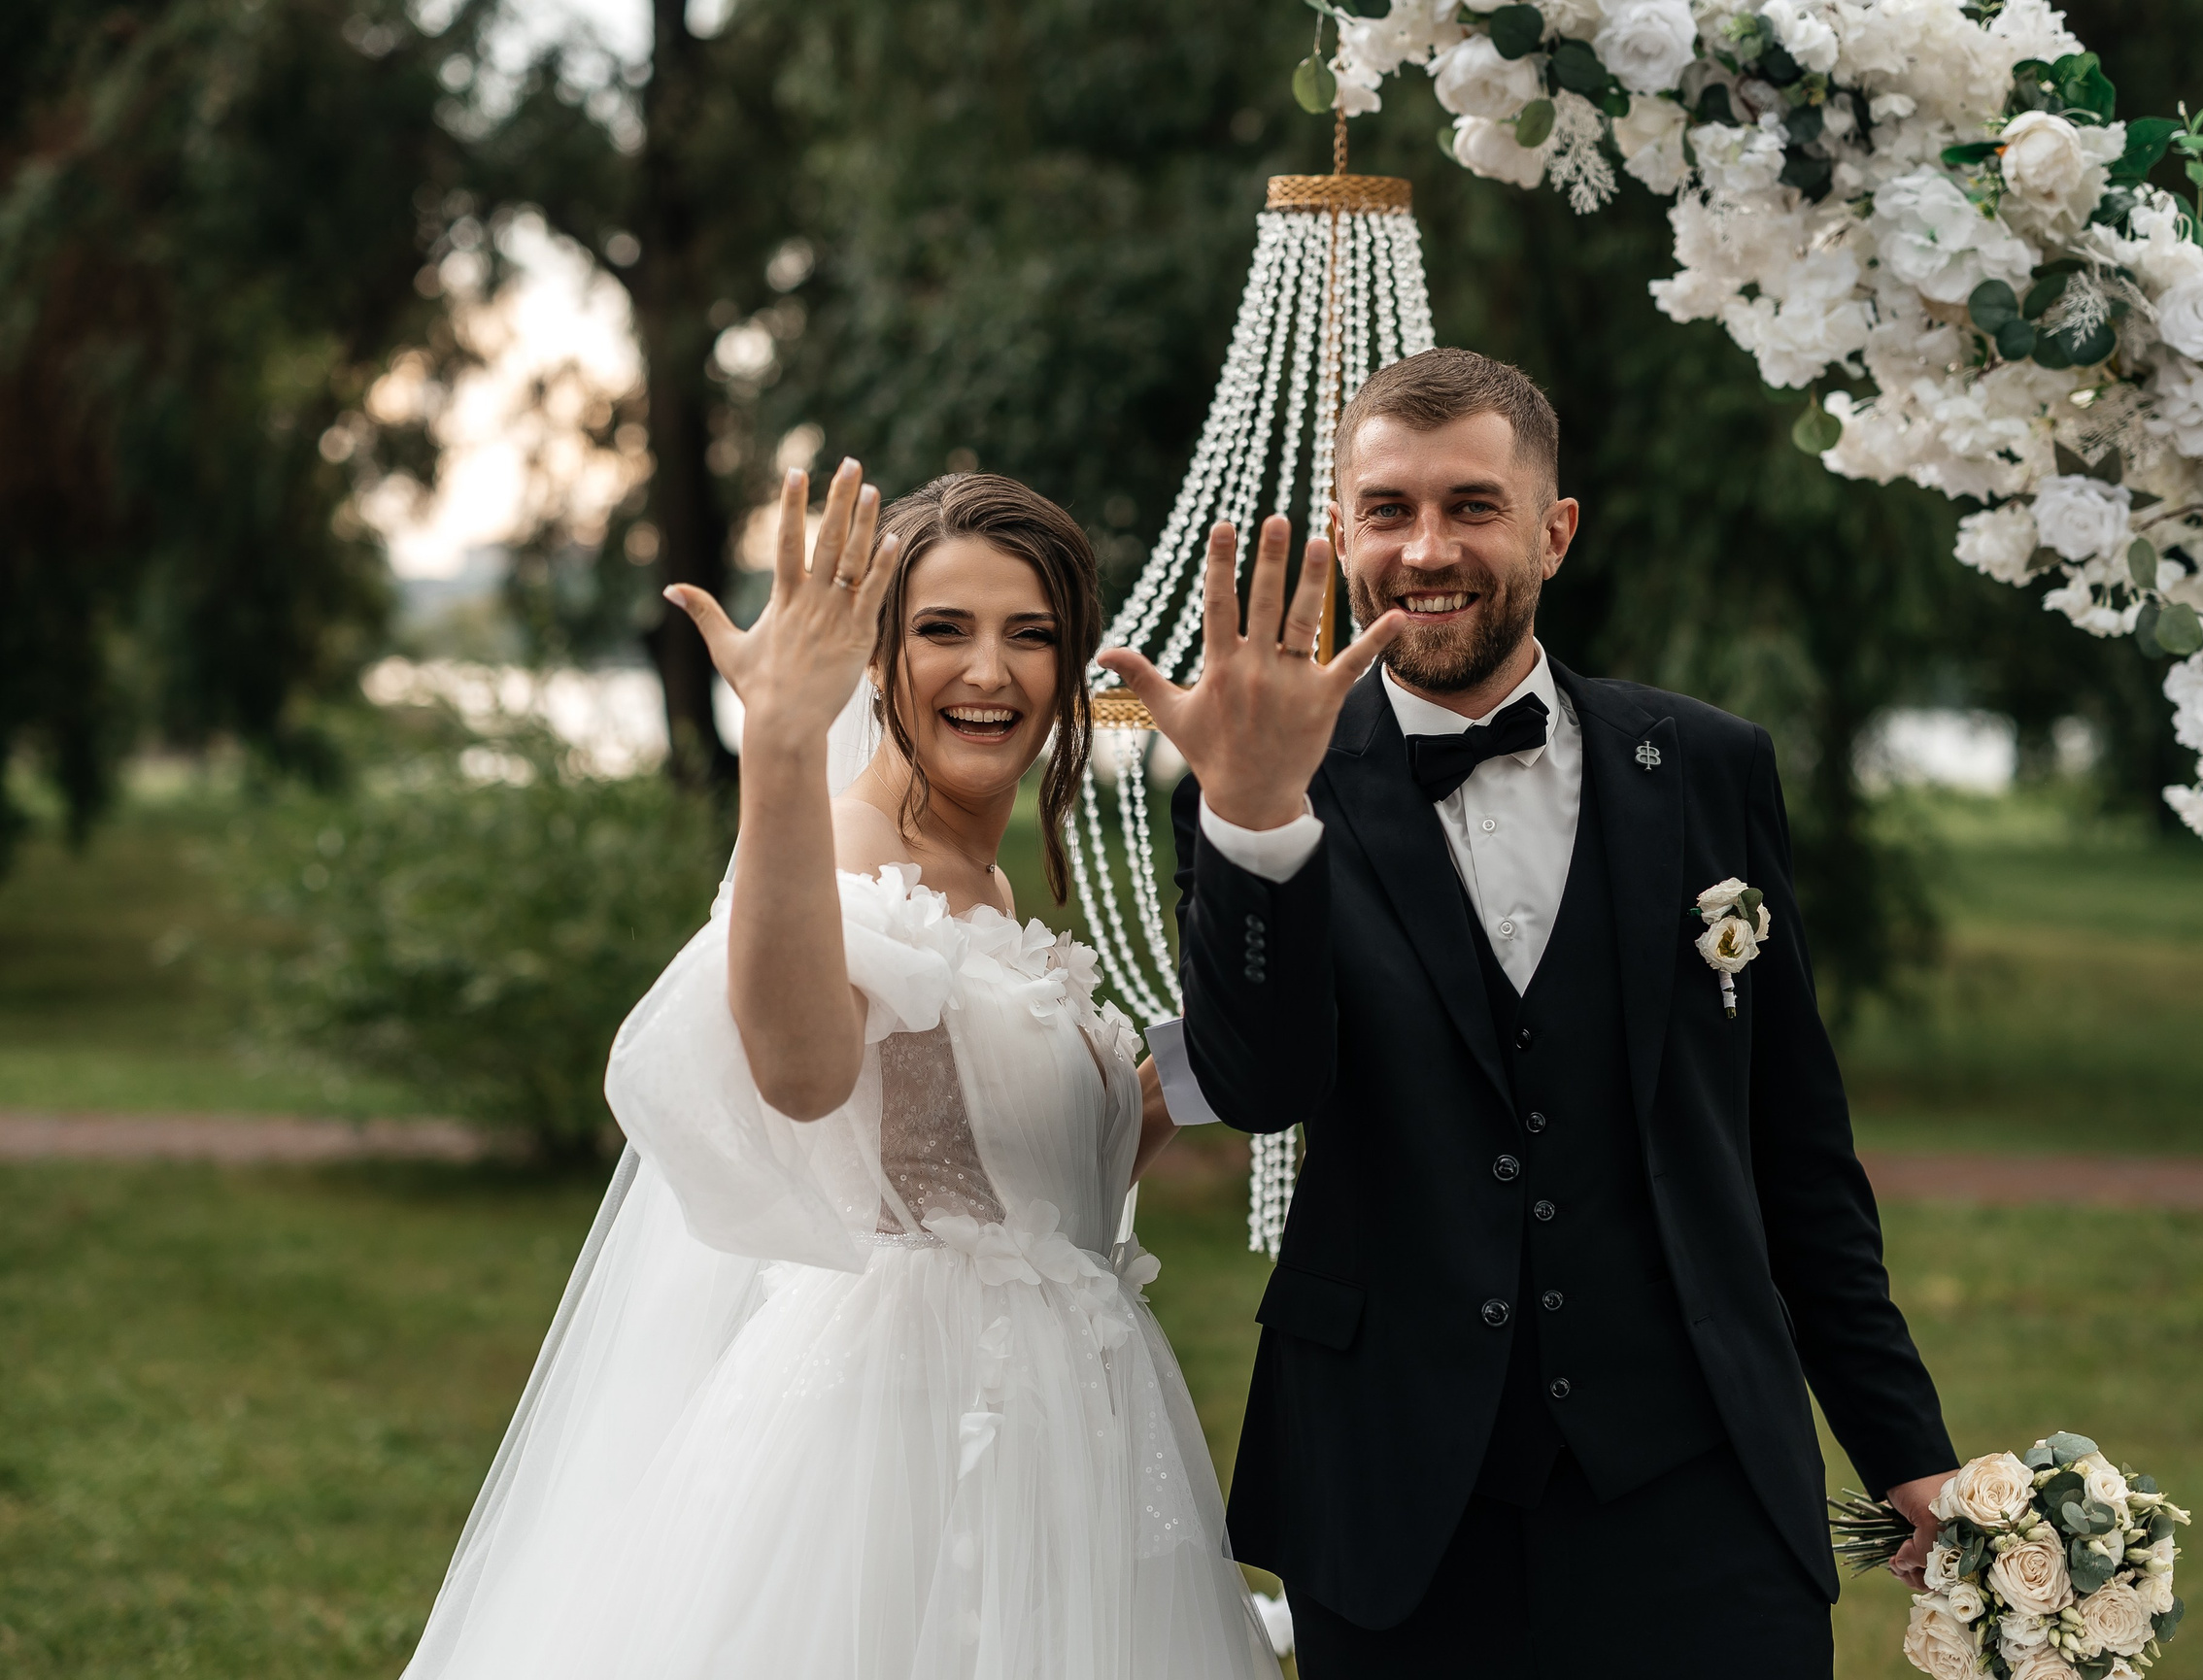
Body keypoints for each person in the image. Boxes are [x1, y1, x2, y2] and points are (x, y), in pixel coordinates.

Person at [1100, 348, 1956, 1675]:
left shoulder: (1708, 766)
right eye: (1387, 509)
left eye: (1471, 505)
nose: (1426, 548)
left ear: (1552, 530)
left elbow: (1794, 1146)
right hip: (1396, 1494)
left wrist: (1905, 1446)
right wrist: (1254, 818)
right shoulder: (1261, 778)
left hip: (1699, 1486)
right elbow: (1257, 1083)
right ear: (1342, 532)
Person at [400, 465, 1281, 1680]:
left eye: (1031, 634)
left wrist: (1256, 1008)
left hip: (1066, 1419)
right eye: (943, 631)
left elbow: (1024, 1172)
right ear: (874, 659)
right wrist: (777, 740)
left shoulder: (986, 877)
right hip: (903, 1437)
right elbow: (803, 1069)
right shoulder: (850, 849)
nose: (991, 671)